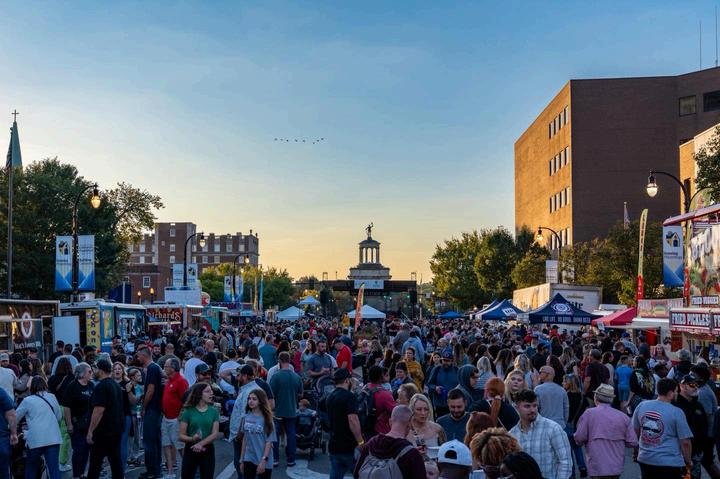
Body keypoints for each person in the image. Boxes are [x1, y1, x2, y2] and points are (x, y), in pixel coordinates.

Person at [632, 378, 693, 479]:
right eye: (675, 391)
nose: (676, 394)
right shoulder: (676, 412)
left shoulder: (642, 405)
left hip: (645, 458)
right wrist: (688, 461)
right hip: (669, 462)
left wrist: (636, 451)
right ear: (670, 393)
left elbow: (635, 432)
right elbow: (685, 442)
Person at [574, 383, 638, 479]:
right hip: (616, 466)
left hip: (597, 466)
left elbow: (579, 438)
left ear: (596, 397)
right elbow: (633, 442)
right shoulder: (623, 417)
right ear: (611, 399)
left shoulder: (589, 414)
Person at [509, 389, 573, 479]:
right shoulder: (512, 434)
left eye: (535, 405)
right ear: (516, 408)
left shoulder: (553, 428)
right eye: (527, 406)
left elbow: (565, 461)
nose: (532, 410)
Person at [353, 405, 425, 479]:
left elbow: (356, 474)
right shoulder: (411, 454)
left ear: (390, 421)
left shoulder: (371, 444)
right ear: (409, 424)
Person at [16, 376, 63, 479]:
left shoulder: (27, 400)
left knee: (31, 468)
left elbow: (15, 418)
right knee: (54, 469)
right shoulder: (52, 397)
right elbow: (59, 416)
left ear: (32, 387)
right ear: (45, 384)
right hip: (53, 438)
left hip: (36, 439)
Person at [321, 368, 363, 479]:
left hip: (334, 443)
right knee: (359, 473)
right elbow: (353, 419)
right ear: (347, 380)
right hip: (348, 445)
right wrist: (360, 441)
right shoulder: (349, 397)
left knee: (336, 473)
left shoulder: (330, 396)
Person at [85, 359, 124, 479]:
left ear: (101, 370)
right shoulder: (115, 385)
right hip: (116, 430)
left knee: (95, 463)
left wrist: (90, 431)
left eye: (95, 369)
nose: (94, 372)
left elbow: (98, 410)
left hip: (103, 432)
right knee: (115, 461)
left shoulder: (102, 387)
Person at [179, 382, 220, 479]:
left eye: (211, 391)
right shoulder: (188, 411)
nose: (211, 393)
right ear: (199, 394)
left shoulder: (214, 411)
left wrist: (201, 444)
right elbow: (181, 435)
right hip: (191, 448)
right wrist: (192, 439)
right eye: (207, 391)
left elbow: (215, 434)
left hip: (207, 449)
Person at [269, 351, 303, 467]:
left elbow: (270, 394)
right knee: (291, 434)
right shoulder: (296, 377)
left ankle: (275, 459)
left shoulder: (275, 376)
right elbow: (300, 394)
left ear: (279, 361)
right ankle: (291, 459)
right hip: (291, 409)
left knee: (275, 435)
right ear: (289, 361)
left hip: (277, 410)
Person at [62, 362, 94, 479]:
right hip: (77, 424)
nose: (91, 373)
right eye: (89, 371)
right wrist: (69, 424)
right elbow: (66, 407)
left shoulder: (91, 385)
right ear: (82, 374)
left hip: (89, 424)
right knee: (79, 450)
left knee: (86, 450)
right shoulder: (72, 386)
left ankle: (82, 474)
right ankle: (76, 475)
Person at [672, 373, 707, 479]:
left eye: (697, 385)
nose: (696, 387)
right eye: (692, 385)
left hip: (696, 454)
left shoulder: (698, 405)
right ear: (682, 386)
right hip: (678, 455)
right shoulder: (674, 405)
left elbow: (704, 428)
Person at [138, 346, 164, 479]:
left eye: (139, 355)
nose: (138, 358)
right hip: (156, 409)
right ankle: (155, 469)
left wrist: (144, 407)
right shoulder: (155, 368)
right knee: (155, 440)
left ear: (144, 355)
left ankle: (152, 470)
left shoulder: (152, 368)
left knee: (149, 441)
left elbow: (150, 390)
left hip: (153, 409)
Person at [162, 357, 189, 479]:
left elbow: (186, 400)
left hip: (176, 419)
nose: (164, 368)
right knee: (166, 444)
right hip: (166, 417)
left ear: (172, 368)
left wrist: (181, 417)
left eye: (166, 366)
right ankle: (170, 472)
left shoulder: (181, 381)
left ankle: (188, 472)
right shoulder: (169, 380)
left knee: (180, 447)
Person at [363, 365, 396, 437]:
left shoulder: (365, 387)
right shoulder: (384, 394)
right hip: (380, 429)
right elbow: (395, 411)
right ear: (381, 377)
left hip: (365, 425)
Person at [427, 350, 460, 418]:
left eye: (448, 361)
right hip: (440, 404)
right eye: (444, 360)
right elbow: (429, 384)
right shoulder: (436, 369)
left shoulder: (457, 370)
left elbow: (461, 385)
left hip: (454, 404)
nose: (445, 362)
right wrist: (435, 388)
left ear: (452, 361)